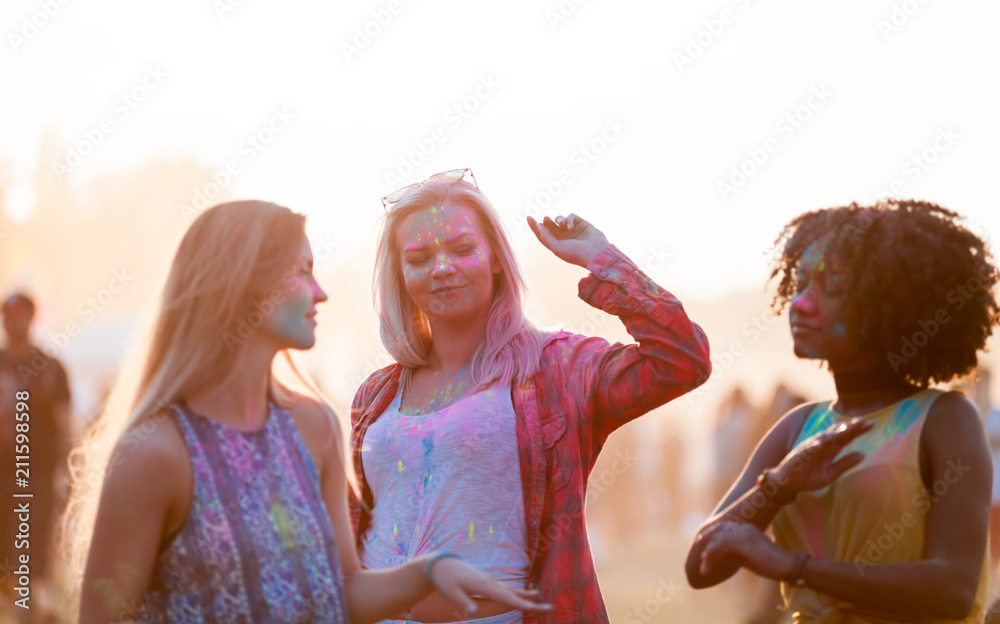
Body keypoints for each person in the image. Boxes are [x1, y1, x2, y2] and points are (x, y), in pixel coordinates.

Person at [66, 200, 551, 623]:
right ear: (238, 286)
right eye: (300, 272)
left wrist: (427, 573)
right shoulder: (155, 453)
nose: (319, 292)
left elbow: (343, 593)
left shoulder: (315, 427)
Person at [349, 169, 712, 623]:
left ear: (496, 258)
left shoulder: (558, 370)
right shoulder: (376, 394)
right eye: (419, 258)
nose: (442, 269)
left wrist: (601, 258)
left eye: (462, 249)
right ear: (401, 276)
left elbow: (683, 359)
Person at [685, 199, 998, 622]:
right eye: (801, 283)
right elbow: (702, 564)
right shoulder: (798, 426)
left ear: (892, 302)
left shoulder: (944, 419)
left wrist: (795, 568)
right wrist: (777, 486)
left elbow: (952, 591)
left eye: (831, 286)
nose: (801, 304)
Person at [0, 292, 73, 621]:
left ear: (31, 318)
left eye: (19, 314)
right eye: (7, 314)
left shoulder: (48, 368)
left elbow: (64, 421)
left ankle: (29, 609)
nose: (13, 321)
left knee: (30, 541)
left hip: (36, 474)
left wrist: (68, 472)